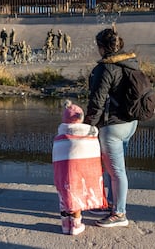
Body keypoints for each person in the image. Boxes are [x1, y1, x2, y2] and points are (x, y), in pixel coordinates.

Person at [84, 24, 138, 228]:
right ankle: (112, 204)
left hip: (113, 126)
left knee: (116, 172)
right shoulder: (131, 63)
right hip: (130, 123)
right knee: (115, 168)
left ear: (101, 47)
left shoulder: (105, 68)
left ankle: (119, 213)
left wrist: (87, 126)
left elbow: (97, 101)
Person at [52, 100, 107, 235]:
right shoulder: (89, 135)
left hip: (62, 172)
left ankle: (65, 225)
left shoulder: (59, 137)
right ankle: (76, 225)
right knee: (76, 195)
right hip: (79, 173)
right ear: (81, 118)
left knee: (64, 195)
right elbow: (94, 154)